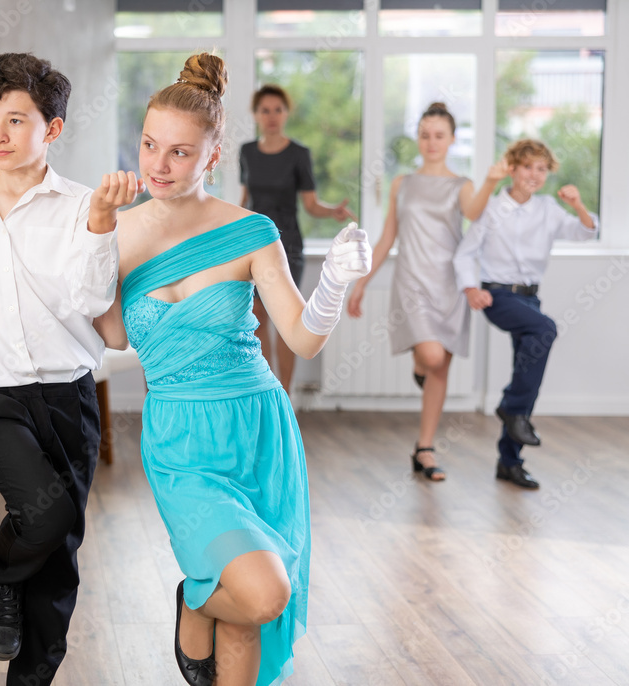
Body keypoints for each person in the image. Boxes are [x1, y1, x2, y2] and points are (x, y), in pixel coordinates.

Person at [93, 53, 371, 686]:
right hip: (181, 441)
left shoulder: (251, 231)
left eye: (181, 153)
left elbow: (301, 340)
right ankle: (193, 600)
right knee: (261, 592)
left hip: (257, 426)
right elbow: (112, 335)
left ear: (213, 157)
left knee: (245, 616)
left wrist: (332, 283)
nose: (159, 166)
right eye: (149, 146)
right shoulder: (120, 232)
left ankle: (201, 601)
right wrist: (96, 234)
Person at [0, 52, 133, 685]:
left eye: (17, 120)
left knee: (61, 555)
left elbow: (94, 304)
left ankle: (31, 678)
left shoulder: (81, 206)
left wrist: (100, 226)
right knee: (46, 519)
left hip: (70, 394)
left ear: (54, 128)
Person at [347, 102, 507, 481]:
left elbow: (474, 213)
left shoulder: (461, 185)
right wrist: (363, 281)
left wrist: (490, 182)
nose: (431, 142)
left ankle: (425, 448)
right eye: (425, 134)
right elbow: (388, 236)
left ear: (451, 139)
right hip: (412, 283)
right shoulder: (403, 183)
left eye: (439, 135)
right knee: (432, 357)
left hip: (449, 285)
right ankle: (419, 363)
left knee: (441, 368)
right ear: (418, 139)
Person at [453, 139, 597, 489]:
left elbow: (586, 232)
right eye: (528, 166)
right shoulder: (491, 209)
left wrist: (577, 204)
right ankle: (512, 408)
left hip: (530, 299)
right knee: (546, 331)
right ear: (513, 169)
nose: (535, 174)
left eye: (541, 169)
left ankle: (509, 460)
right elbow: (464, 253)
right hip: (498, 296)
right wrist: (472, 289)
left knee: (527, 369)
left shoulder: (548, 209)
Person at [240, 84, 356, 393]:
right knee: (257, 319)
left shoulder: (298, 154)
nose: (272, 116)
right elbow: (244, 200)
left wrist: (333, 212)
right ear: (256, 115)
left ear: (286, 113)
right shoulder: (247, 152)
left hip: (287, 245)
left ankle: (286, 395)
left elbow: (310, 204)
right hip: (252, 244)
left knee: (287, 321)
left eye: (278, 109)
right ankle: (265, 390)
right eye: (265, 110)